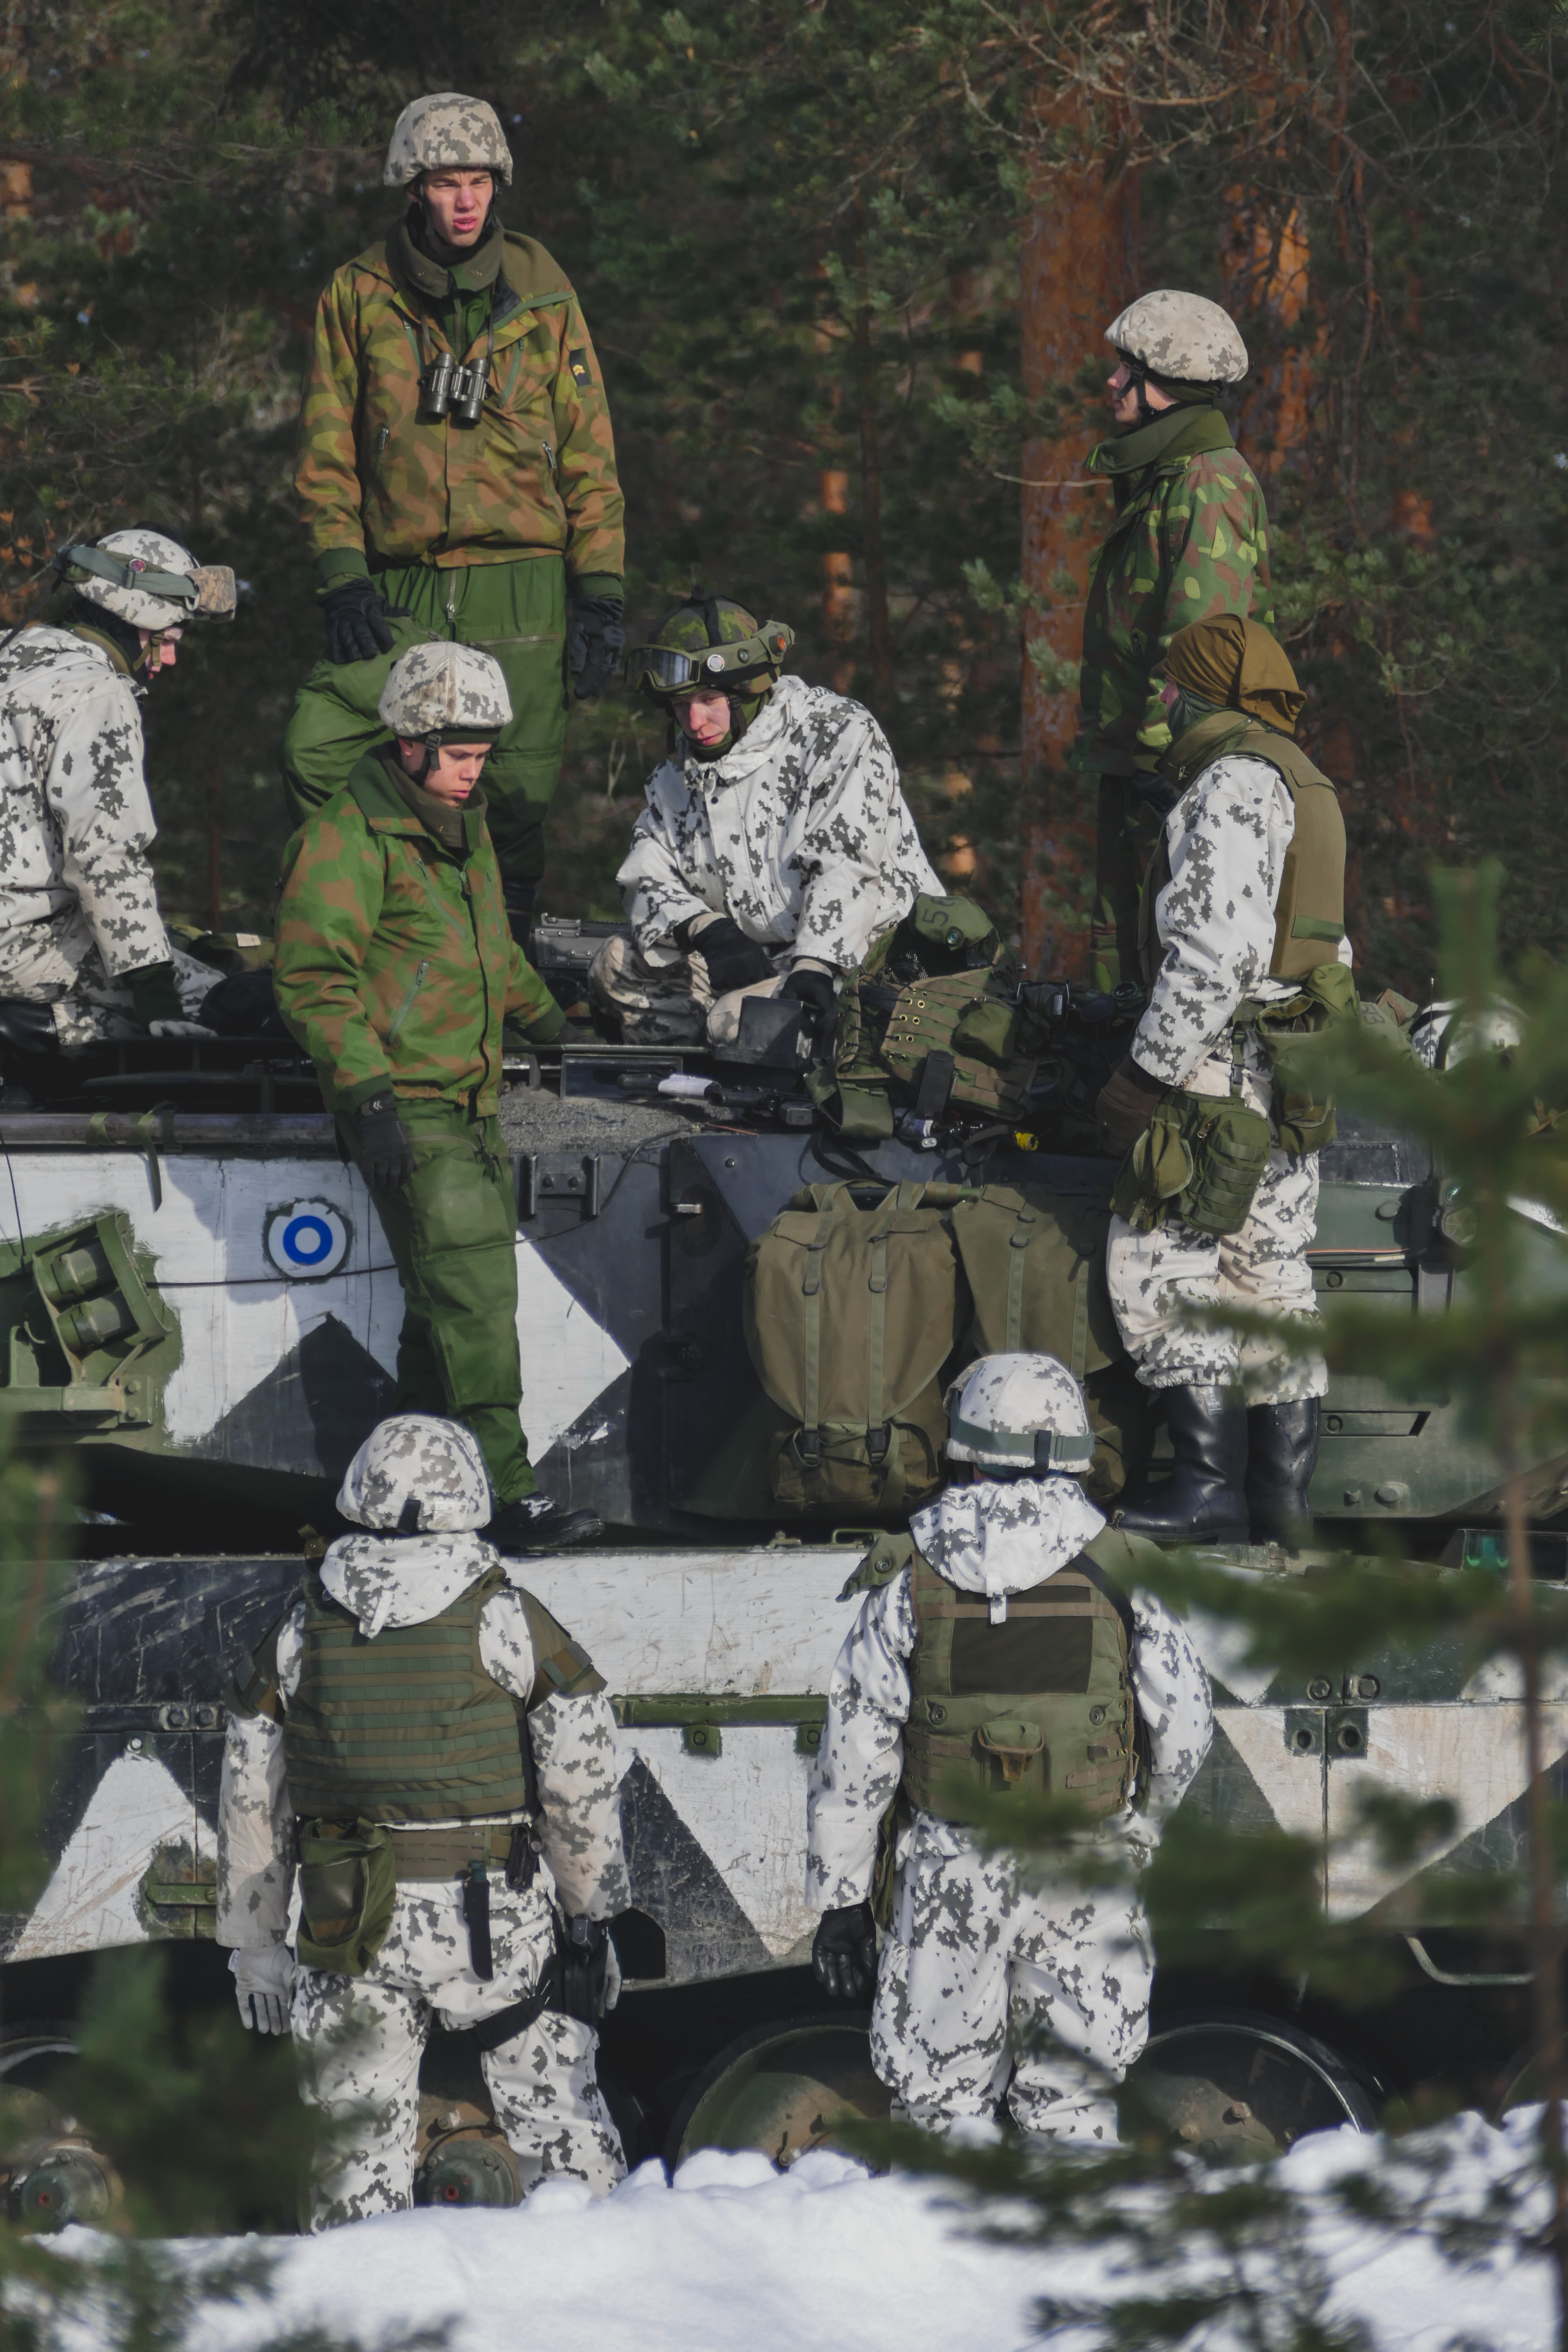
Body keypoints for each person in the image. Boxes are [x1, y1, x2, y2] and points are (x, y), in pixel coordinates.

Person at [219, 1413, 628, 2228]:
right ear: (466, 1492)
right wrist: (592, 1916)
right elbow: (578, 1781)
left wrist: (254, 1944)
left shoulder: (301, 1624)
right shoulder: (507, 1616)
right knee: (567, 2140)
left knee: (349, 2160)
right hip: (491, 1917)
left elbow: (250, 1792)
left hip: (344, 1919)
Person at [806, 1352, 1212, 2143]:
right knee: (1074, 2109)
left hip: (948, 1868)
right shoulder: (1123, 1568)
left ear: (965, 1440)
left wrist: (842, 1899)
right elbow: (1185, 1725)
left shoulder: (908, 1571)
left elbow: (854, 1750)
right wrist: (1142, 1827)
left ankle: (937, 2261)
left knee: (937, 2109)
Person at [273, 640, 598, 1552]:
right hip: (409, 1106)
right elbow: (312, 980)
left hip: (473, 1105)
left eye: (483, 754)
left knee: (436, 1313)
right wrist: (368, 1099)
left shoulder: (464, 830)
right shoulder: (347, 838)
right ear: (409, 743)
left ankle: (406, 1492)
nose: (472, 772)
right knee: (475, 1298)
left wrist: (566, 1029)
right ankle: (510, 1493)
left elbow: (491, 956)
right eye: (458, 755)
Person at [284, 90, 625, 935]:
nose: (466, 199)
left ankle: (500, 961)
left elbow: (589, 453)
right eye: (445, 181)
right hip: (396, 587)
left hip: (522, 582)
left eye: (479, 179)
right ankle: (368, 921)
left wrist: (602, 591)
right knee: (320, 748)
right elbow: (326, 454)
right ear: (413, 188)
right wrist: (341, 579)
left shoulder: (544, 292)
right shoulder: (359, 295)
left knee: (514, 790)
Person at [1092, 613, 1351, 1545]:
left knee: (1161, 1265)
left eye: (1173, 686)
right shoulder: (1303, 779)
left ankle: (1206, 1486)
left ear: (1200, 691)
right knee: (1268, 1279)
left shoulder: (1228, 783)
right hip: (1289, 1071)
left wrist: (1140, 1078)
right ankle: (1281, 1504)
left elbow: (1210, 954)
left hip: (1216, 1068)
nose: (1162, 701)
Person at [591, 591, 943, 1046]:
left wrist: (815, 967)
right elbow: (646, 869)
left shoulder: (836, 734)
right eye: (679, 706)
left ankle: (788, 1045)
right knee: (613, 966)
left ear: (747, 689)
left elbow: (846, 866)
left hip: (868, 959)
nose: (694, 721)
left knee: (731, 1023)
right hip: (765, 960)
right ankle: (744, 1054)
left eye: (709, 698)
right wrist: (708, 930)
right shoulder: (678, 775)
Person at [1076, 289, 1273, 993]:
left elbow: (1202, 645)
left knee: (1162, 957)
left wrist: (1164, 768)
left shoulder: (1207, 483)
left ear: (1162, 386)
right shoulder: (1164, 478)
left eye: (1123, 367)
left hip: (1169, 777)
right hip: (1140, 766)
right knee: (1118, 950)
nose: (1110, 382)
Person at [0, 527, 238, 1056]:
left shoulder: (14, 654)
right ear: (139, 622)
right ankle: (47, 1035)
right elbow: (106, 857)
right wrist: (157, 999)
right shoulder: (98, 693)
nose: (170, 660)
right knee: (220, 1004)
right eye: (170, 640)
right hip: (19, 945)